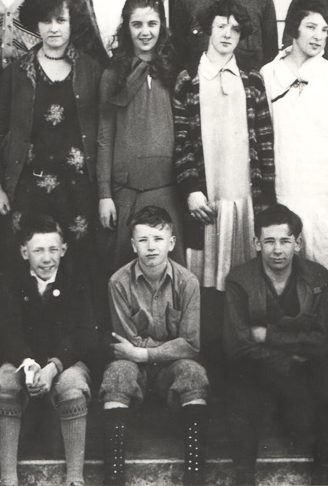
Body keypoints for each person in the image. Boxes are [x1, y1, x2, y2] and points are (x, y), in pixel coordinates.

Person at [0, 0, 103, 293]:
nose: (54, 28)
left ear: (72, 22)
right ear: (35, 24)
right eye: (46, 20)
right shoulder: (17, 72)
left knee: (77, 266)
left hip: (78, 191)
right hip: (29, 189)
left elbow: (104, 133)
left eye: (61, 20)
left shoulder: (91, 71)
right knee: (27, 266)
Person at [223, 204, 328, 486]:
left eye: (285, 241)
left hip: (304, 369)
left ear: (297, 243)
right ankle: (244, 475)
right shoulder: (240, 280)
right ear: (257, 243)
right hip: (263, 367)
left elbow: (324, 340)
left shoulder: (318, 278)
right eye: (269, 241)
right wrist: (288, 358)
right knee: (239, 386)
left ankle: (325, 473)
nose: (277, 250)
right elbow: (236, 344)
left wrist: (269, 336)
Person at [100, 206, 209, 486]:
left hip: (169, 369)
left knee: (193, 373)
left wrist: (145, 352)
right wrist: (161, 349)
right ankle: (114, 474)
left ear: (171, 243)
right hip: (134, 367)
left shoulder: (188, 282)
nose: (151, 247)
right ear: (133, 244)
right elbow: (125, 343)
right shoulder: (118, 283)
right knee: (117, 372)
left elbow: (191, 344)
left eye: (158, 239)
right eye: (143, 240)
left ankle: (195, 473)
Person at [172, 0, 275, 291]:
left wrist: (266, 200)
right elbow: (180, 139)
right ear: (209, 29)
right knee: (204, 282)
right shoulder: (188, 79)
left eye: (235, 29)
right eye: (221, 26)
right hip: (206, 199)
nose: (228, 34)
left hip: (245, 197)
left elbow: (265, 142)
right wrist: (191, 190)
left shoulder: (252, 80)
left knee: (245, 278)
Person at [0, 214, 97, 486]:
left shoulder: (75, 280)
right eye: (38, 250)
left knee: (72, 386)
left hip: (64, 361)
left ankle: (75, 478)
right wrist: (28, 363)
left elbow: (84, 333)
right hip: (24, 360)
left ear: (63, 249)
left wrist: (53, 366)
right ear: (24, 252)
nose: (47, 258)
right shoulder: (12, 280)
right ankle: (8, 479)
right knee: (3, 384)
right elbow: (6, 330)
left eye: (53, 249)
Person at [261, 0, 328, 275]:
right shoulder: (269, 74)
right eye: (311, 27)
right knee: (292, 258)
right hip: (288, 181)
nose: (318, 36)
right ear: (294, 28)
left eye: (325, 30)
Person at [97, 0, 185, 269]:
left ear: (162, 26)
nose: (145, 32)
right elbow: (104, 136)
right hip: (126, 191)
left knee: (167, 268)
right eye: (137, 24)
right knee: (126, 267)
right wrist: (104, 194)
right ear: (127, 28)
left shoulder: (174, 71)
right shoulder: (113, 74)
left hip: (166, 188)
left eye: (152, 24)